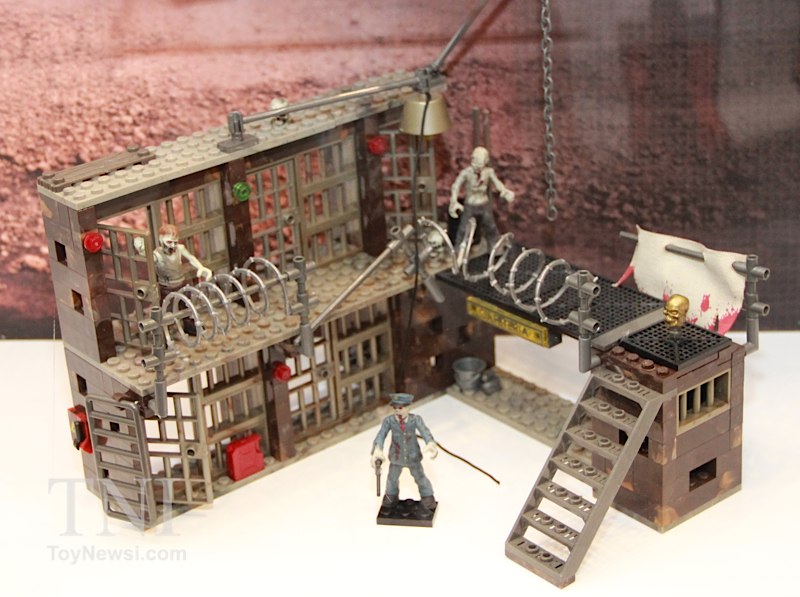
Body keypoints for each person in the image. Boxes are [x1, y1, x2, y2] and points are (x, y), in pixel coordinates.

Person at [371, 393, 438, 510]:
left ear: (408, 408)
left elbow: (425, 431)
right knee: (392, 479)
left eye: (400, 408)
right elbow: (381, 435)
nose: (397, 410)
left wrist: (430, 443)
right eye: (395, 408)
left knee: (420, 477)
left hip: (413, 456)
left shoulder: (415, 420)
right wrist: (378, 448)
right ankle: (391, 496)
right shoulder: (389, 421)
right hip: (396, 457)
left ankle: (427, 496)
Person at [449, 146, 515, 262]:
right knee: (463, 229)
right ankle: (459, 251)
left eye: (479, 162)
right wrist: (454, 201)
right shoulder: (466, 173)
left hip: (484, 204)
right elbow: (456, 185)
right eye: (474, 160)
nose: (476, 164)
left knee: (491, 227)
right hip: (470, 204)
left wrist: (504, 191)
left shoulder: (488, 172)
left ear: (486, 161)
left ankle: (495, 249)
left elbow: (497, 183)